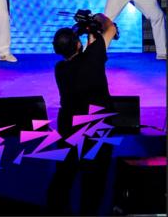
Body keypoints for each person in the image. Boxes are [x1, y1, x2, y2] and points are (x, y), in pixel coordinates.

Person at [47, 14, 117, 214]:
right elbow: (110, 28)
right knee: (95, 179)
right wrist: (96, 19)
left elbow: (83, 53)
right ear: (78, 44)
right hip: (97, 126)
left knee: (64, 175)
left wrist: (87, 32)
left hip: (70, 126)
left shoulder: (60, 68)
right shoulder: (93, 58)